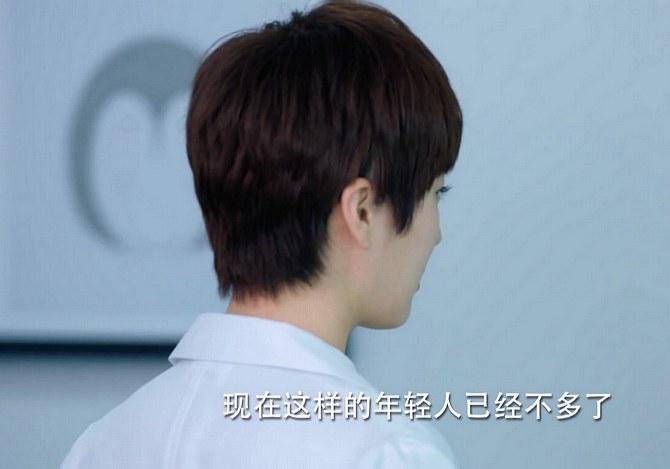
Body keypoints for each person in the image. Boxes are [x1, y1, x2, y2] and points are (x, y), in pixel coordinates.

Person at [60, 1, 463, 467]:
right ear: (362, 210)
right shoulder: (387, 452)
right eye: (437, 192)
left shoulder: (100, 445)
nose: (436, 234)